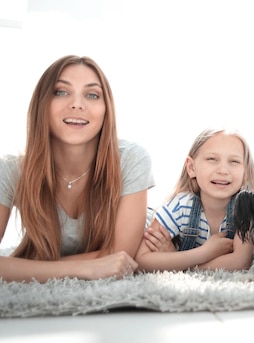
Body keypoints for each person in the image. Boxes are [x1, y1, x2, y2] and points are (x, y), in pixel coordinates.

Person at [0, 55, 155, 282]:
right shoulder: (10, 170)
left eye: (92, 95)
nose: (77, 104)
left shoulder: (132, 159)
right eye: (61, 92)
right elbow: (105, 263)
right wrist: (85, 268)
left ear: (106, 110)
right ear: (42, 103)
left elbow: (120, 257)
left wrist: (25, 268)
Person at [135, 128, 254, 272]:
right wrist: (205, 252)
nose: (223, 170)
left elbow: (240, 262)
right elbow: (141, 261)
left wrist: (176, 259)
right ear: (191, 167)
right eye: (212, 159)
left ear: (245, 172)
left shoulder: (247, 208)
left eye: (234, 161)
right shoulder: (180, 206)